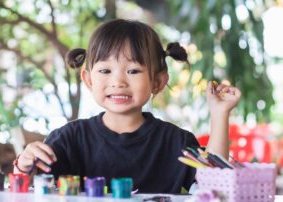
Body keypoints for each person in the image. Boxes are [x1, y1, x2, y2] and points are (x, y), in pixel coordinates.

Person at [13, 19, 241, 193]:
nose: (118, 82)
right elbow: (28, 190)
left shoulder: (177, 142)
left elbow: (216, 186)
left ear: (158, 81)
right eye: (105, 71)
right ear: (89, 79)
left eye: (133, 71)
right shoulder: (68, 139)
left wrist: (220, 114)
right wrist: (24, 167)